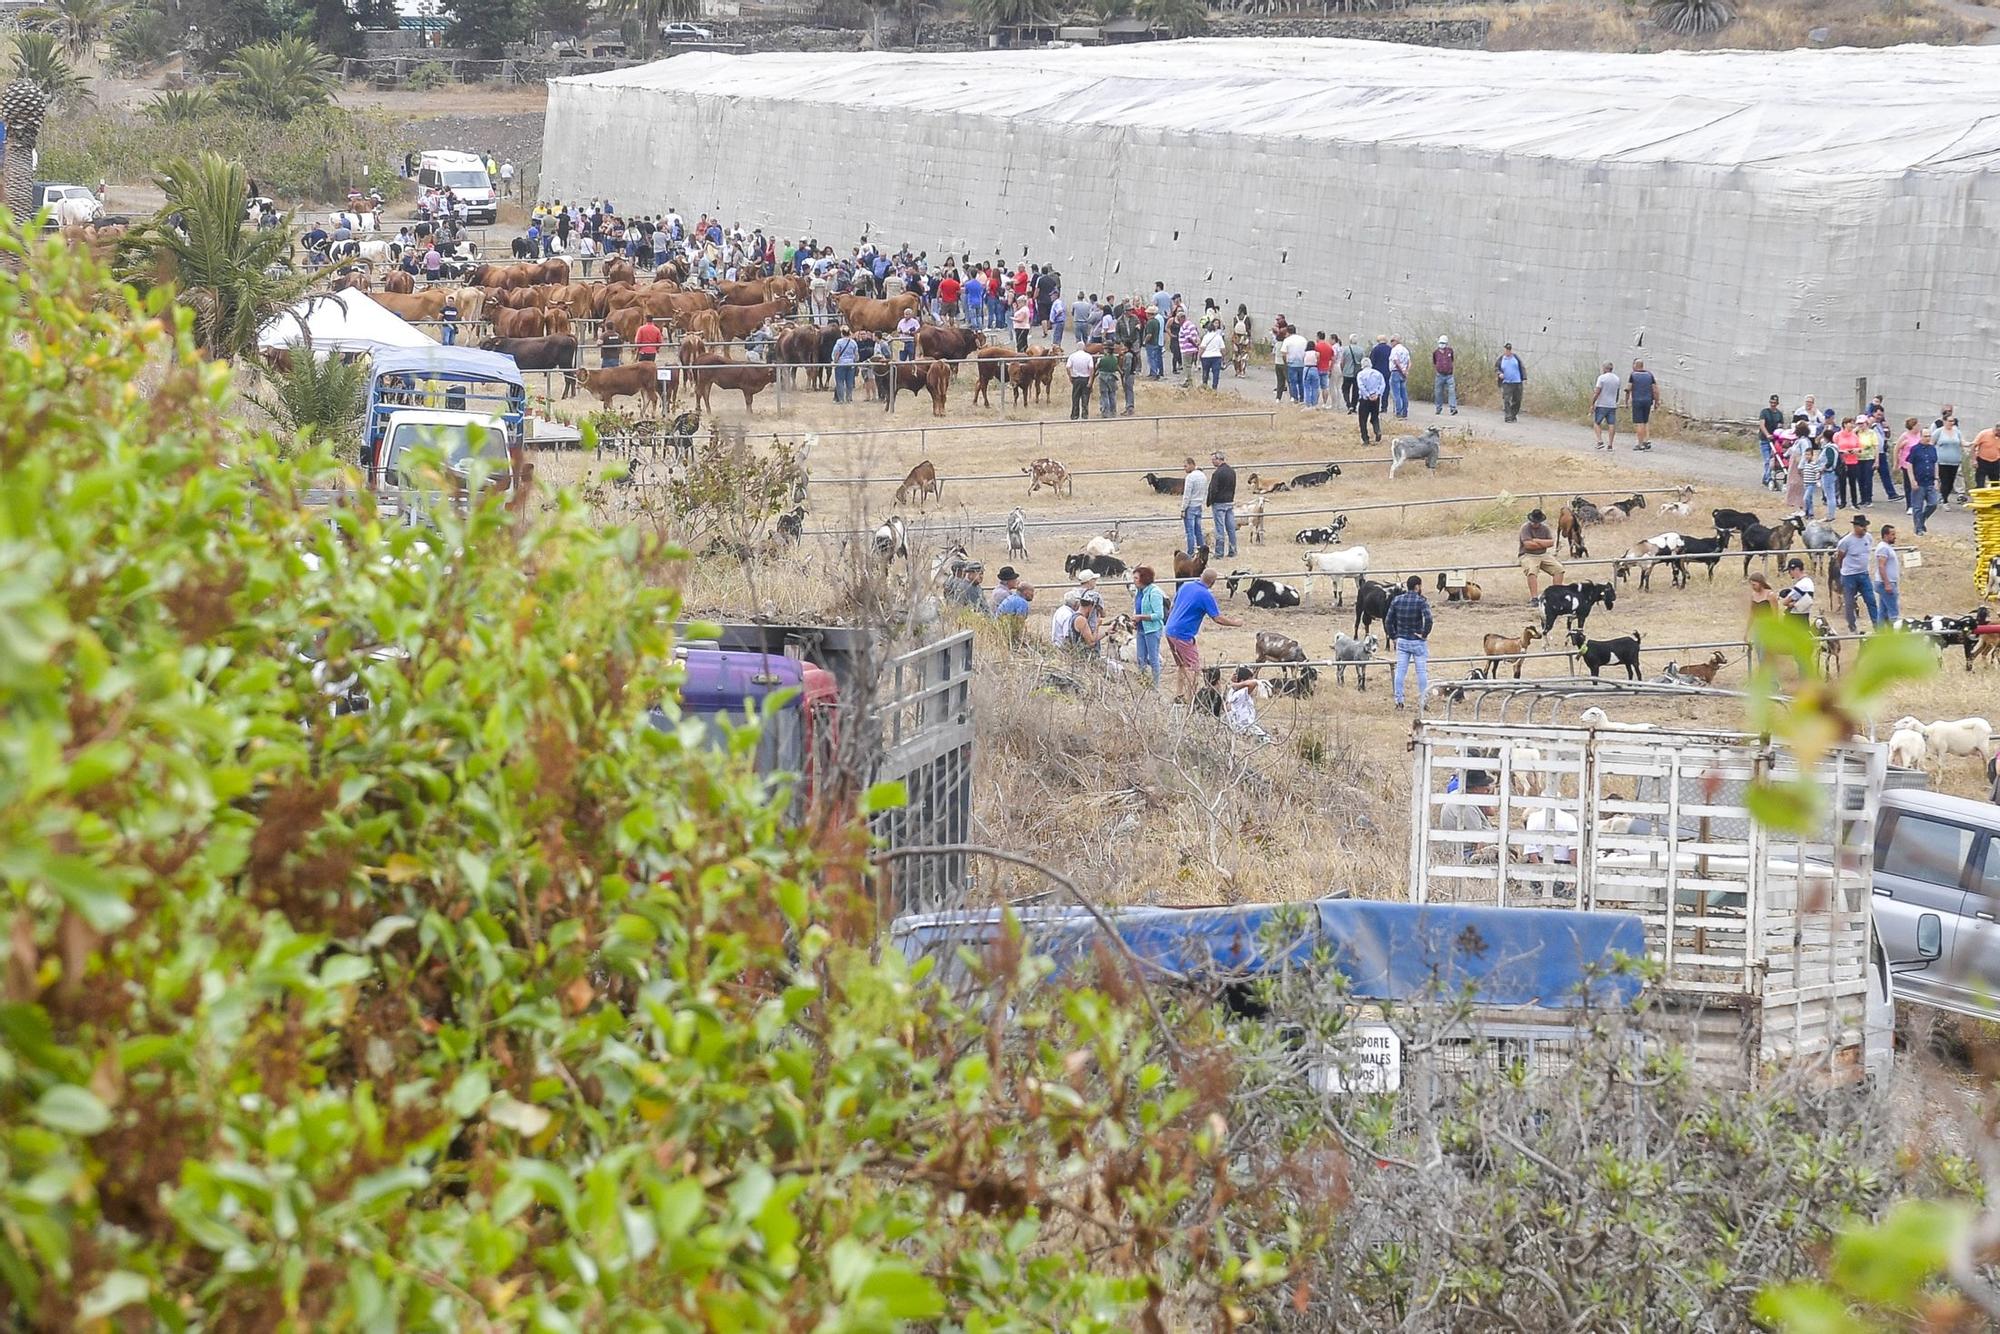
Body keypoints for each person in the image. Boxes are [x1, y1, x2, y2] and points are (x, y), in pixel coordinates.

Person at [1163, 568, 1242, 701]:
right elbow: (1217, 618)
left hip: (1170, 629)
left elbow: (1172, 606)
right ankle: (1190, 700)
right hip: (1183, 634)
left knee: (1182, 665)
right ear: (1212, 583)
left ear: (1200, 576)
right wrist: (1236, 623)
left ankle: (1179, 695)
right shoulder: (1205, 595)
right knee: (1193, 668)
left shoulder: (1186, 585)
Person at [1385, 574, 1433, 712]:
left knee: (1400, 671)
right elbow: (1429, 619)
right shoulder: (1421, 601)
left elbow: (1388, 621)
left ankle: (1399, 701)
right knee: (1421, 672)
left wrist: (1393, 636)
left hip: (1402, 640)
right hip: (1417, 641)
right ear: (1417, 586)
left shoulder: (1397, 600)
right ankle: (1423, 701)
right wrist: (1424, 634)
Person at [1437, 770, 1498, 863]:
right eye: (1485, 788)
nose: (1487, 790)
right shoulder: (1465, 805)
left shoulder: (1460, 796)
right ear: (1475, 788)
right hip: (1465, 854)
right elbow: (1479, 840)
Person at [1831, 514, 1879, 633]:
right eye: (1862, 526)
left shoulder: (1868, 538)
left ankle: (1877, 624)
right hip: (1849, 576)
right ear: (1855, 526)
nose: (1864, 529)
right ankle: (1851, 625)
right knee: (1849, 602)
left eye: (1865, 526)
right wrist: (1844, 570)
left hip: (1863, 574)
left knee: (1871, 600)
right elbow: (1840, 557)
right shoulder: (1846, 541)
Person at [1900, 419, 1940, 535]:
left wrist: (1937, 479)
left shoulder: (1932, 449)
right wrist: (1912, 480)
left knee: (1933, 504)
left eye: (1929, 436)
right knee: (1917, 507)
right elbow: (1909, 464)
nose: (1928, 438)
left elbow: (1935, 463)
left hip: (1930, 482)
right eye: (1926, 436)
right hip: (1919, 482)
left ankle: (1921, 521)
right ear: (1921, 437)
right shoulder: (1915, 449)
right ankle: (1918, 529)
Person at [1518, 508, 1564, 602]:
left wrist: (1537, 541)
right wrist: (1543, 543)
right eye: (1533, 522)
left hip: (1544, 554)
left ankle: (1556, 595)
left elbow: (1551, 543)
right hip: (1528, 555)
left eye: (1537, 522)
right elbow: (1528, 545)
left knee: (1559, 569)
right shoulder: (1525, 528)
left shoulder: (1545, 528)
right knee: (1532, 571)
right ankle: (1534, 598)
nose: (1535, 524)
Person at [1132, 565, 1164, 687]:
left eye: (1136, 578)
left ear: (1143, 579)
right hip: (1140, 629)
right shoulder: (1138, 592)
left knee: (1153, 658)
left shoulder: (1154, 592)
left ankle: (1156, 686)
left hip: (1152, 629)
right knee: (1141, 658)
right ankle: (1143, 682)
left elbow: (1159, 615)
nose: (1134, 581)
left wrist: (1141, 617)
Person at [1225, 668, 1270, 740]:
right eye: (1249, 679)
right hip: (1244, 727)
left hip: (1239, 726)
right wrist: (1239, 684)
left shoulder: (1232, 691)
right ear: (1243, 681)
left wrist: (1233, 682)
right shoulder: (1241, 693)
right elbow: (1253, 683)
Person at [1209, 451, 1238, 559]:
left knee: (1219, 529)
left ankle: (1219, 553)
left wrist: (1211, 500)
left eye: (1213, 460)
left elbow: (1214, 489)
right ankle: (1233, 550)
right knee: (1231, 528)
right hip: (1229, 502)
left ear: (1218, 459)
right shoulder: (1232, 471)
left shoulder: (1217, 473)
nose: (1212, 462)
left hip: (1219, 503)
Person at [1626, 360, 1658, 451]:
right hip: (1648, 400)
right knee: (1645, 421)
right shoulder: (1650, 375)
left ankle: (1640, 444)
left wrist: (1627, 400)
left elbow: (1629, 388)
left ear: (1635, 365)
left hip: (1637, 401)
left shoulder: (1633, 375)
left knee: (1639, 423)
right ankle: (1646, 440)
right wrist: (1656, 401)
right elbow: (1655, 389)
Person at [1933, 413, 1965, 505]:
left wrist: (1973, 443)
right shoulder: (1939, 431)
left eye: (1953, 421)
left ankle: (1944, 496)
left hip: (1954, 462)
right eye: (1950, 421)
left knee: (1951, 482)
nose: (1952, 423)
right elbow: (1932, 443)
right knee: (1944, 480)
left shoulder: (1957, 432)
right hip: (1942, 461)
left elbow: (1962, 442)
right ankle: (1944, 500)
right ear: (1944, 421)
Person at [1874, 523, 1902, 622]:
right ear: (1886, 535)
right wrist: (1887, 584)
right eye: (1892, 534)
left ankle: (1880, 632)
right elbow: (1881, 566)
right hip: (1886, 583)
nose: (1895, 537)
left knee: (1883, 611)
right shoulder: (1883, 548)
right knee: (1893, 612)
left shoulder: (1886, 547)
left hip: (1886, 582)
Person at [1180, 455, 1208, 554]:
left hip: (1191, 506)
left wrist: (1183, 508)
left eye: (1186, 466)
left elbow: (1187, 495)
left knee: (1190, 532)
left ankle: (1191, 552)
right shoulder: (1203, 476)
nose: (1184, 468)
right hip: (1199, 505)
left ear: (1192, 465)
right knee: (1198, 530)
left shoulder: (1190, 477)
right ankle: (1201, 550)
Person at [1757, 394, 1785, 489]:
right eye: (1771, 402)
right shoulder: (1764, 412)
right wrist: (1767, 434)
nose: (1773, 404)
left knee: (1774, 460)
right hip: (1765, 440)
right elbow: (1762, 424)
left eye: (1775, 403)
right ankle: (1768, 479)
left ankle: (1766, 477)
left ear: (1777, 403)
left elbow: (1780, 426)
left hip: (1775, 441)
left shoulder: (1779, 414)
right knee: (1767, 460)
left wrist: (1778, 435)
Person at [1355, 360, 1386, 445]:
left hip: (1365, 399)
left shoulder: (1360, 374)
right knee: (1375, 417)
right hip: (1376, 398)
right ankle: (1377, 431)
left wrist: (1368, 395)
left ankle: (1365, 439)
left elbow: (1361, 386)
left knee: (1362, 420)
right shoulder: (1378, 373)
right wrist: (1378, 394)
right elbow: (1383, 384)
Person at [1591, 361, 1621, 451]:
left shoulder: (1602, 378)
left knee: (1597, 423)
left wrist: (1592, 403)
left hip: (1602, 404)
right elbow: (1617, 393)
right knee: (1611, 424)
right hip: (1612, 405)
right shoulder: (1617, 379)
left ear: (1605, 368)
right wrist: (1615, 402)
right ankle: (1610, 444)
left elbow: (1597, 391)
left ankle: (1600, 441)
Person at [1495, 343, 1526, 422]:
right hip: (1507, 383)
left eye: (1509, 350)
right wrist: (1499, 373)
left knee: (1517, 400)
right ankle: (1508, 416)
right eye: (1506, 349)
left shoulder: (1515, 358)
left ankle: (1513, 415)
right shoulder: (1501, 359)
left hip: (1517, 382)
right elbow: (1496, 368)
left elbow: (1522, 367)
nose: (1507, 351)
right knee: (1507, 400)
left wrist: (1524, 378)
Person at [831, 326, 859, 403]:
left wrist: (835, 361)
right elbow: (856, 354)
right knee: (849, 382)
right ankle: (849, 398)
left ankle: (841, 399)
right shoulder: (853, 342)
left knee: (840, 381)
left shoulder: (839, 342)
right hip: (851, 364)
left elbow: (836, 353)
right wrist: (855, 361)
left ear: (842, 334)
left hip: (841, 364)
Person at [1067, 344, 1094, 420]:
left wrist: (1070, 376)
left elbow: (1068, 367)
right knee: (1085, 397)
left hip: (1076, 379)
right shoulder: (1088, 356)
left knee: (1075, 397)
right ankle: (1084, 415)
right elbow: (1091, 368)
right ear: (1084, 348)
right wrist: (1090, 380)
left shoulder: (1072, 356)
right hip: (1085, 378)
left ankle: (1075, 415)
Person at [1433, 336, 1458, 415]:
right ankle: (1438, 408)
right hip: (1439, 375)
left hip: (1449, 375)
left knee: (1451, 391)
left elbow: (1452, 360)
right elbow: (1434, 361)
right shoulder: (1436, 352)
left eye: (1443, 343)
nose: (1442, 344)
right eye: (1441, 343)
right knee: (1438, 392)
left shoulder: (1450, 351)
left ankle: (1453, 408)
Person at [1095, 341, 1120, 420]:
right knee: (1112, 395)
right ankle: (1113, 411)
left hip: (1103, 377)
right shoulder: (1115, 359)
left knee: (1104, 395)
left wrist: (1098, 361)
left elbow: (1097, 367)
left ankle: (1106, 412)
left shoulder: (1103, 359)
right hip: (1112, 377)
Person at [1338, 334, 1363, 413]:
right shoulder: (1361, 350)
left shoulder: (1346, 349)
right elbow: (1362, 362)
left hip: (1347, 372)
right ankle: (1354, 405)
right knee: (1356, 390)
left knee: (1345, 389)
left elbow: (1342, 362)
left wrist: (1342, 370)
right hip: (1357, 373)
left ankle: (1348, 404)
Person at [1387, 336, 1411, 418]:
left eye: (1391, 341)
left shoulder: (1395, 350)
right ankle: (1405, 411)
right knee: (1404, 393)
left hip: (1396, 372)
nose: (1391, 343)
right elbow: (1409, 362)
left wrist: (1401, 370)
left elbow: (1396, 361)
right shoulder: (1405, 350)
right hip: (1403, 374)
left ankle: (1398, 412)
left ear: (1395, 341)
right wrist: (1406, 371)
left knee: (1396, 394)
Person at [1198, 322, 1226, 391]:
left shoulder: (1205, 337)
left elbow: (1202, 348)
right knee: (1216, 373)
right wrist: (1223, 357)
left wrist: (1199, 356)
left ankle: (1205, 385)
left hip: (1206, 357)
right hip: (1216, 356)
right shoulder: (1218, 337)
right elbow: (1223, 349)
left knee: (1205, 372)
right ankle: (1214, 388)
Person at [1975, 419, 2000, 491]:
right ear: (1996, 429)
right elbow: (1974, 446)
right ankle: (1980, 499)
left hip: (1995, 462)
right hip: (1982, 461)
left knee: (1995, 483)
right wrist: (1974, 460)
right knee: (1980, 483)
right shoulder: (1984, 434)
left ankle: (1994, 501)